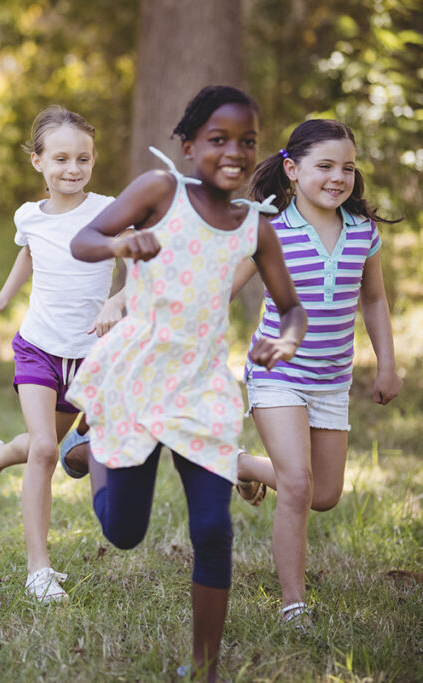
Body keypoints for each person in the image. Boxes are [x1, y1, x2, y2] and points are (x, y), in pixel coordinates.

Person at [66, 85, 308, 681]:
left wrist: (289, 338)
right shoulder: (159, 190)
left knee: (213, 528)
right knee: (123, 533)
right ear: (188, 144)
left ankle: (204, 668)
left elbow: (290, 305)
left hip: (202, 389)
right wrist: (122, 242)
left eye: (247, 141)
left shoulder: (256, 225)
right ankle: (92, 447)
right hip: (136, 381)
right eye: (218, 139)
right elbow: (84, 241)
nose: (234, 151)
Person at [231, 119, 401, 630]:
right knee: (299, 486)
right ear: (292, 169)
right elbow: (219, 290)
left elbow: (373, 300)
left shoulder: (363, 231)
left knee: (324, 495)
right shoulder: (271, 229)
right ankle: (293, 604)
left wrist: (388, 364)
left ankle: (238, 464)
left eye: (347, 167)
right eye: (324, 166)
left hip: (331, 381)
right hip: (276, 373)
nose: (337, 177)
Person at [0, 105, 125, 602]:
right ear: (37, 162)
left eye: (83, 159)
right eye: (60, 159)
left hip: (87, 355)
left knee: (37, 445)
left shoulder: (108, 210)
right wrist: (4, 297)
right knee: (47, 451)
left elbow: (141, 254)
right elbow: (30, 250)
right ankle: (39, 570)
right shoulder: (28, 215)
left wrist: (119, 299)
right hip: (38, 348)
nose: (72, 169)